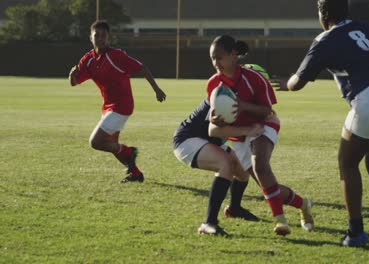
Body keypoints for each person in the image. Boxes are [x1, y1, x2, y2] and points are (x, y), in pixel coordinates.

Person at [287, 0, 369, 248]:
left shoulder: (325, 39)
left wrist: (285, 81)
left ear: (323, 13)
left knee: (347, 163)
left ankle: (355, 232)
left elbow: (297, 83)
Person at [207, 35, 314, 236]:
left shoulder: (253, 77)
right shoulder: (213, 84)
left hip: (264, 125)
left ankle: (280, 221)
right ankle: (303, 204)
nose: (216, 63)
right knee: (267, 186)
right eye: (213, 58)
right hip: (239, 137)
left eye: (219, 57)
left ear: (233, 55)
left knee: (260, 165)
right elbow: (215, 119)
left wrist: (243, 106)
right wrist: (217, 119)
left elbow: (267, 110)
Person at [68, 20, 166, 183]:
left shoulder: (117, 56)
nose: (100, 38)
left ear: (109, 38)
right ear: (90, 38)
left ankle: (129, 151)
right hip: (107, 107)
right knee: (112, 145)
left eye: (103, 36)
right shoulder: (89, 59)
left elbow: (142, 67)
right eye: (96, 35)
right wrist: (72, 75)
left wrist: (156, 89)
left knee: (96, 142)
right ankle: (135, 174)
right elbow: (75, 82)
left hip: (122, 106)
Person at [173, 99, 263, 235]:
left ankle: (235, 208)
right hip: (187, 140)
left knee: (243, 170)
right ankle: (209, 223)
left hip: (210, 141)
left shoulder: (245, 98)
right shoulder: (225, 95)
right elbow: (214, 130)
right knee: (225, 164)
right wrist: (248, 129)